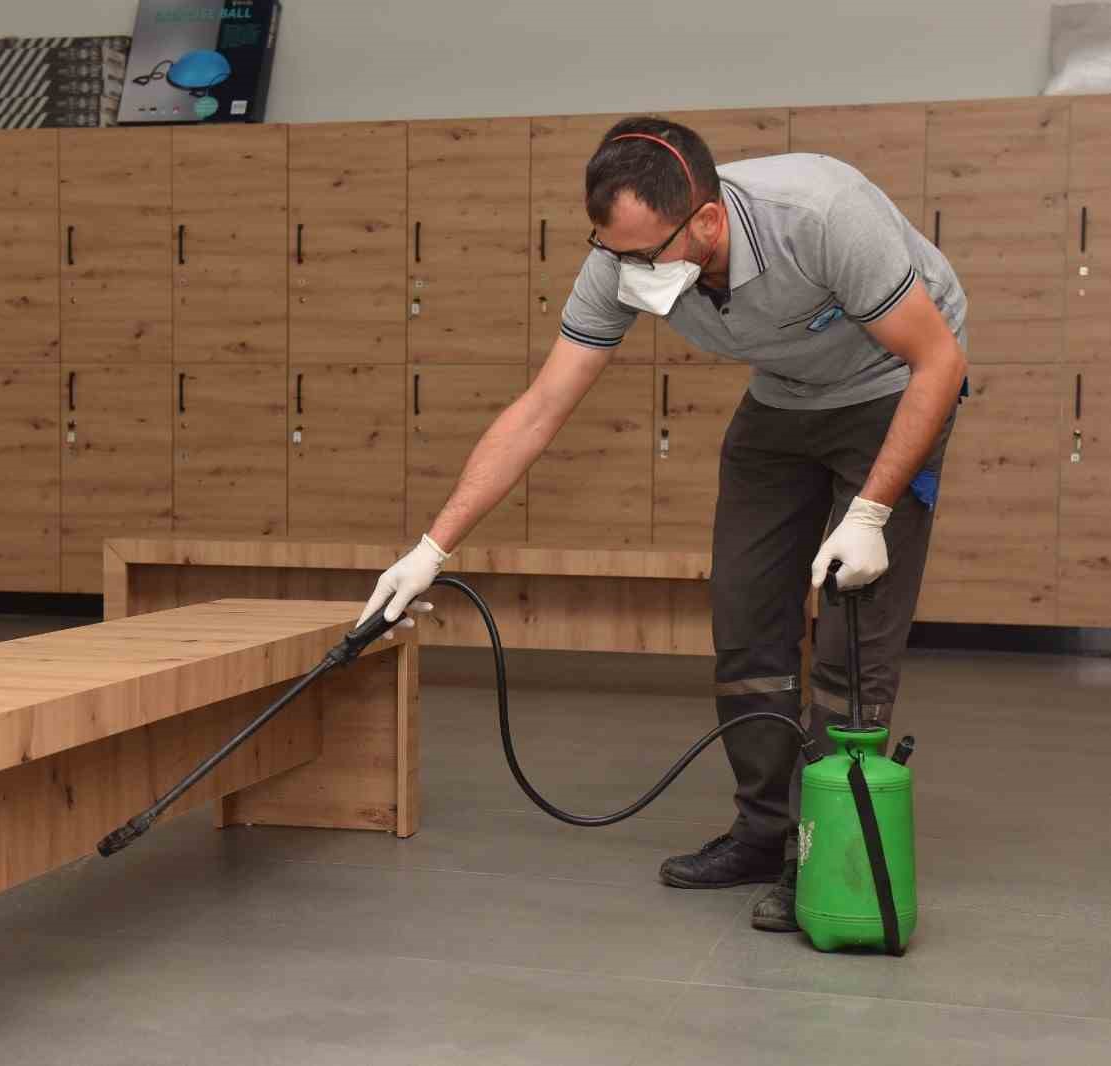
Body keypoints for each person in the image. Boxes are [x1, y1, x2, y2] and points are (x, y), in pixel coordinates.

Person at [356, 116, 968, 933]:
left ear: (707, 222)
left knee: (851, 634)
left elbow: (940, 361)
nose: (630, 273)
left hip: (895, 384)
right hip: (784, 398)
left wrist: (869, 514)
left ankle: (821, 850)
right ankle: (763, 833)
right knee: (746, 617)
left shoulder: (820, 214)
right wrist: (431, 549)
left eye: (646, 255)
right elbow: (540, 408)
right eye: (615, 254)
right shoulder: (618, 261)